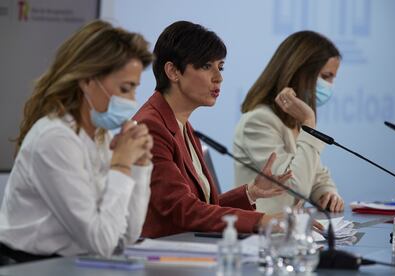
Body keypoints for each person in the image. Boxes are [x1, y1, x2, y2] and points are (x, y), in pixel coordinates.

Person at [0, 20, 154, 263]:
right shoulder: (55, 139)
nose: (132, 100)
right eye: (125, 88)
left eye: (135, 89)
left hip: (73, 264)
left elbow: (125, 236)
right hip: (32, 266)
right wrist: (122, 165)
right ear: (87, 81)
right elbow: (101, 242)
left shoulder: (102, 136)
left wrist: (139, 167)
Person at [134, 21, 297, 239]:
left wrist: (250, 192)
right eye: (205, 66)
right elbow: (184, 211)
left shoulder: (181, 124)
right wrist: (264, 220)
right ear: (173, 71)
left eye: (220, 67)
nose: (218, 77)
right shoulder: (151, 127)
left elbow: (202, 206)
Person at [233, 30, 344, 214]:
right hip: (260, 234)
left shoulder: (293, 120)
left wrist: (327, 192)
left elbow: (314, 173)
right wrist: (309, 122)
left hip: (285, 232)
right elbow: (295, 185)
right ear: (301, 72)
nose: (330, 85)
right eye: (326, 76)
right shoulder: (259, 121)